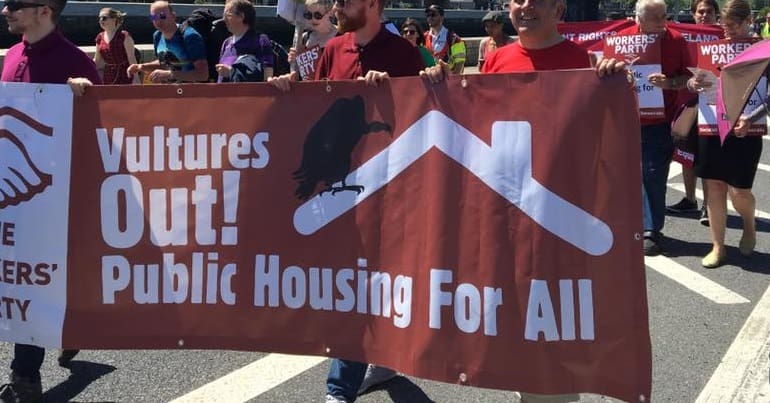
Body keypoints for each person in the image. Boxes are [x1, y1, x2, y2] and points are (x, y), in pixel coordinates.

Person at [272, 0, 422, 400]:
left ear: (372, 4)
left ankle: (348, 382)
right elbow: (316, 108)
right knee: (354, 283)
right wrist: (289, 91)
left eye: (345, 0)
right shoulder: (333, 50)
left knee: (377, 281)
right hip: (341, 191)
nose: (336, 6)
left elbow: (427, 113)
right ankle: (351, 379)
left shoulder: (404, 54)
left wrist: (393, 93)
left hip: (387, 190)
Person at [0, 0, 100, 400]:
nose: (6, 10)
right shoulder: (12, 55)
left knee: (33, 279)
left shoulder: (75, 62)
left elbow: (107, 129)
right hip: (13, 193)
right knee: (22, 277)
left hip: (54, 193)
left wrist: (86, 98)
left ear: (43, 10)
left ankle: (24, 374)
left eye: (14, 5)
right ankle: (70, 327)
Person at [687, 0, 764, 268]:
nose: (726, 30)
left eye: (732, 25)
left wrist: (752, 117)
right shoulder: (711, 49)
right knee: (714, 186)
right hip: (710, 125)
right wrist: (692, 82)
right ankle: (718, 246)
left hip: (746, 130)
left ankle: (749, 225)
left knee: (740, 191)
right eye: (724, 25)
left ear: (747, 21)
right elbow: (695, 82)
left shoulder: (762, 50)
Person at [618, 0, 692, 256]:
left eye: (664, 16)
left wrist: (670, 83)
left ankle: (651, 230)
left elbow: (689, 77)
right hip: (625, 121)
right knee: (626, 175)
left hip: (660, 121)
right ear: (638, 20)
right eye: (656, 18)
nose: (663, 22)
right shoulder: (621, 41)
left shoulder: (677, 40)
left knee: (653, 174)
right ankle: (629, 224)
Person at [666, 0, 719, 225]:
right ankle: (690, 200)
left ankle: (708, 206)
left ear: (716, 14)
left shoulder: (724, 36)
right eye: (700, 11)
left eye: (709, 12)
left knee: (708, 157)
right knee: (685, 156)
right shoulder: (680, 34)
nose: (704, 15)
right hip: (687, 102)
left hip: (715, 106)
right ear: (694, 14)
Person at [126, 1, 209, 83]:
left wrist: (169, 74)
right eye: (154, 17)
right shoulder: (157, 36)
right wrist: (142, 67)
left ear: (173, 16)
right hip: (169, 92)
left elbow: (203, 75)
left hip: (191, 93)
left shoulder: (190, 36)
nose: (158, 21)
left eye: (162, 16)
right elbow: (166, 63)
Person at [215, 0, 274, 82]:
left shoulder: (260, 40)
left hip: (248, 94)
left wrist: (231, 72)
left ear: (241, 16)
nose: (224, 19)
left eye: (227, 15)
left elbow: (267, 77)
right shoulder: (226, 43)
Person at [94, 7, 139, 84]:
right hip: (108, 75)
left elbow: (132, 58)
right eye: (99, 18)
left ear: (114, 19)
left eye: (104, 18)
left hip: (125, 74)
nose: (101, 20)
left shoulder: (124, 36)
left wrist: (136, 78)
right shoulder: (99, 37)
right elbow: (97, 60)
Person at [424, 5, 466, 74]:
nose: (430, 18)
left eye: (433, 15)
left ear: (442, 18)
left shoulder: (455, 39)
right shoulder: (423, 37)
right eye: (428, 15)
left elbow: (460, 65)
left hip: (448, 81)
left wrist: (453, 80)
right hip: (429, 81)